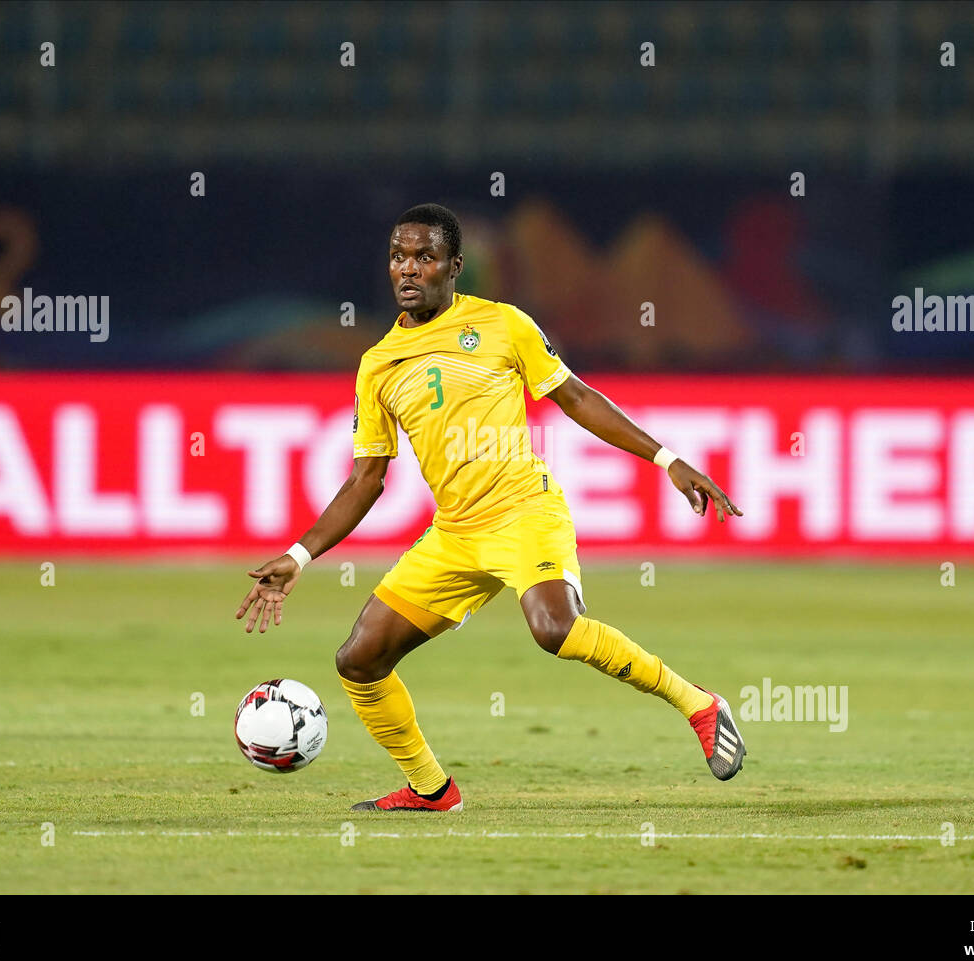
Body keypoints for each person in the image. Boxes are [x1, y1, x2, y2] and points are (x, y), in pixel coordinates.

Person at [236, 204, 745, 812]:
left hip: (523, 510)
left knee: (554, 628)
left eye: (424, 257)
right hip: (455, 533)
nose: (407, 269)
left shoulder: (502, 324)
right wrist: (299, 555)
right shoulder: (378, 364)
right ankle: (431, 789)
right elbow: (366, 480)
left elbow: (576, 398)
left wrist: (667, 459)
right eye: (398, 256)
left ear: (455, 266)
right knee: (359, 659)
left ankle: (699, 704)